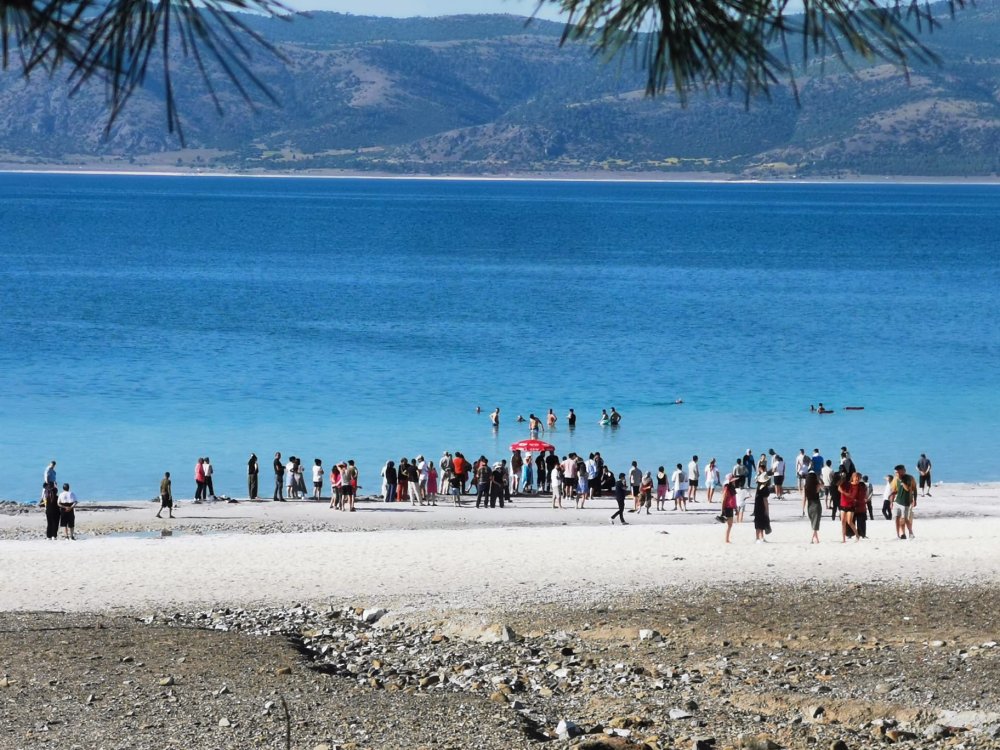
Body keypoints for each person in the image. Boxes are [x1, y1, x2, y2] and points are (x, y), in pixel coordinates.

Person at [891, 464, 918, 539]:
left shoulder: (909, 478)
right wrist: (891, 500)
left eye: (898, 473)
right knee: (897, 518)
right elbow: (895, 490)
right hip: (897, 501)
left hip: (905, 502)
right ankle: (899, 534)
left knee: (905, 519)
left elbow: (910, 489)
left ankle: (911, 533)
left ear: (903, 471)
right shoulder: (895, 479)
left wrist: (915, 500)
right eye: (896, 473)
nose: (897, 474)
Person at [838, 472, 861, 543]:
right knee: (842, 522)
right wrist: (841, 479)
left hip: (850, 506)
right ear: (853, 477)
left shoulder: (857, 486)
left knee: (849, 521)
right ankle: (843, 539)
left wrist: (842, 492)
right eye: (856, 477)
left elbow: (851, 495)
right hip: (843, 504)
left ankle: (857, 535)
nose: (857, 479)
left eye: (858, 478)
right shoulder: (846, 483)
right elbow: (839, 487)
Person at [753, 472, 772, 543]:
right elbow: (765, 500)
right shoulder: (764, 488)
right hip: (761, 506)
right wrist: (767, 510)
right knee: (760, 522)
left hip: (757, 505)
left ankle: (760, 537)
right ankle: (759, 538)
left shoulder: (759, 486)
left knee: (758, 522)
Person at [804, 471, 822, 543]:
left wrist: (803, 509)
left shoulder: (806, 486)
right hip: (816, 504)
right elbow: (822, 485)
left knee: (813, 522)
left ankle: (815, 539)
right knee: (816, 522)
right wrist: (819, 478)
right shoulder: (817, 485)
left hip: (809, 504)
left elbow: (804, 498)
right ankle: (813, 538)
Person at [720, 474, 738, 543]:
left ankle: (727, 539)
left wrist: (736, 508)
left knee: (730, 524)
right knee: (729, 524)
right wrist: (722, 510)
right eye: (733, 481)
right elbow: (724, 499)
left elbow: (734, 499)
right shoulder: (727, 488)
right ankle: (726, 540)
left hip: (730, 507)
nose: (734, 482)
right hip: (727, 507)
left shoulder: (732, 488)